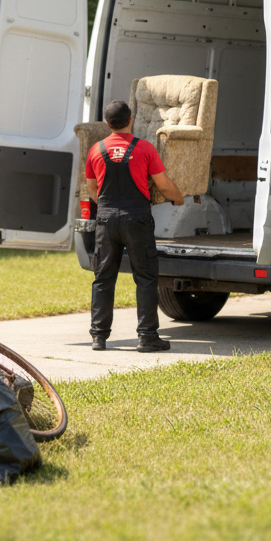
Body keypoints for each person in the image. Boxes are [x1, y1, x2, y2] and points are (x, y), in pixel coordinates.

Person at [84, 99, 186, 352]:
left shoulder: (96, 150)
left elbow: (92, 188)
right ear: (131, 120)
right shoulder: (145, 149)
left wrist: (109, 208)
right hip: (137, 219)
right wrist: (178, 197)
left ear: (107, 124)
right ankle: (147, 337)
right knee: (146, 278)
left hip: (106, 220)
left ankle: (99, 337)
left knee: (103, 278)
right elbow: (162, 184)